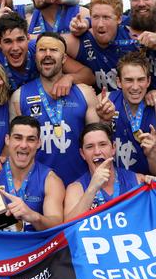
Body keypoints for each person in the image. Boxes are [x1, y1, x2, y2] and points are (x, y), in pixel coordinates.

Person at [10, 32, 100, 185]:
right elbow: (15, 149)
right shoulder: (19, 97)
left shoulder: (84, 93)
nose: (47, 54)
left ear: (64, 58)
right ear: (35, 56)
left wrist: (106, 117)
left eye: (53, 50)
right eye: (42, 50)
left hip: (80, 183)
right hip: (38, 187)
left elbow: (97, 140)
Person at [0, 116, 65, 232]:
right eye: (18, 138)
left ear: (39, 143)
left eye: (31, 139)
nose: (24, 145)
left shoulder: (50, 180)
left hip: (34, 248)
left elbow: (57, 225)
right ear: (7, 140)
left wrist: (34, 217)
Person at [63, 123, 156, 221]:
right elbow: (67, 228)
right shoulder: (76, 189)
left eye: (102, 144)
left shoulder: (137, 180)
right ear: (82, 154)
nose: (97, 152)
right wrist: (92, 189)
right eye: (90, 147)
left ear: (113, 148)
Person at [95, 51, 156, 175]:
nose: (135, 87)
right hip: (112, 183)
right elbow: (93, 151)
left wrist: (152, 153)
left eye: (141, 80)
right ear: (118, 82)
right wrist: (104, 120)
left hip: (143, 187)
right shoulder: (104, 102)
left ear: (148, 81)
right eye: (129, 80)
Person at [65, 0, 140, 92]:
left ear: (119, 19)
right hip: (98, 104)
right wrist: (71, 76)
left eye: (106, 17)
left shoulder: (133, 38)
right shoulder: (82, 40)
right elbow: (48, 42)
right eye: (95, 17)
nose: (100, 24)